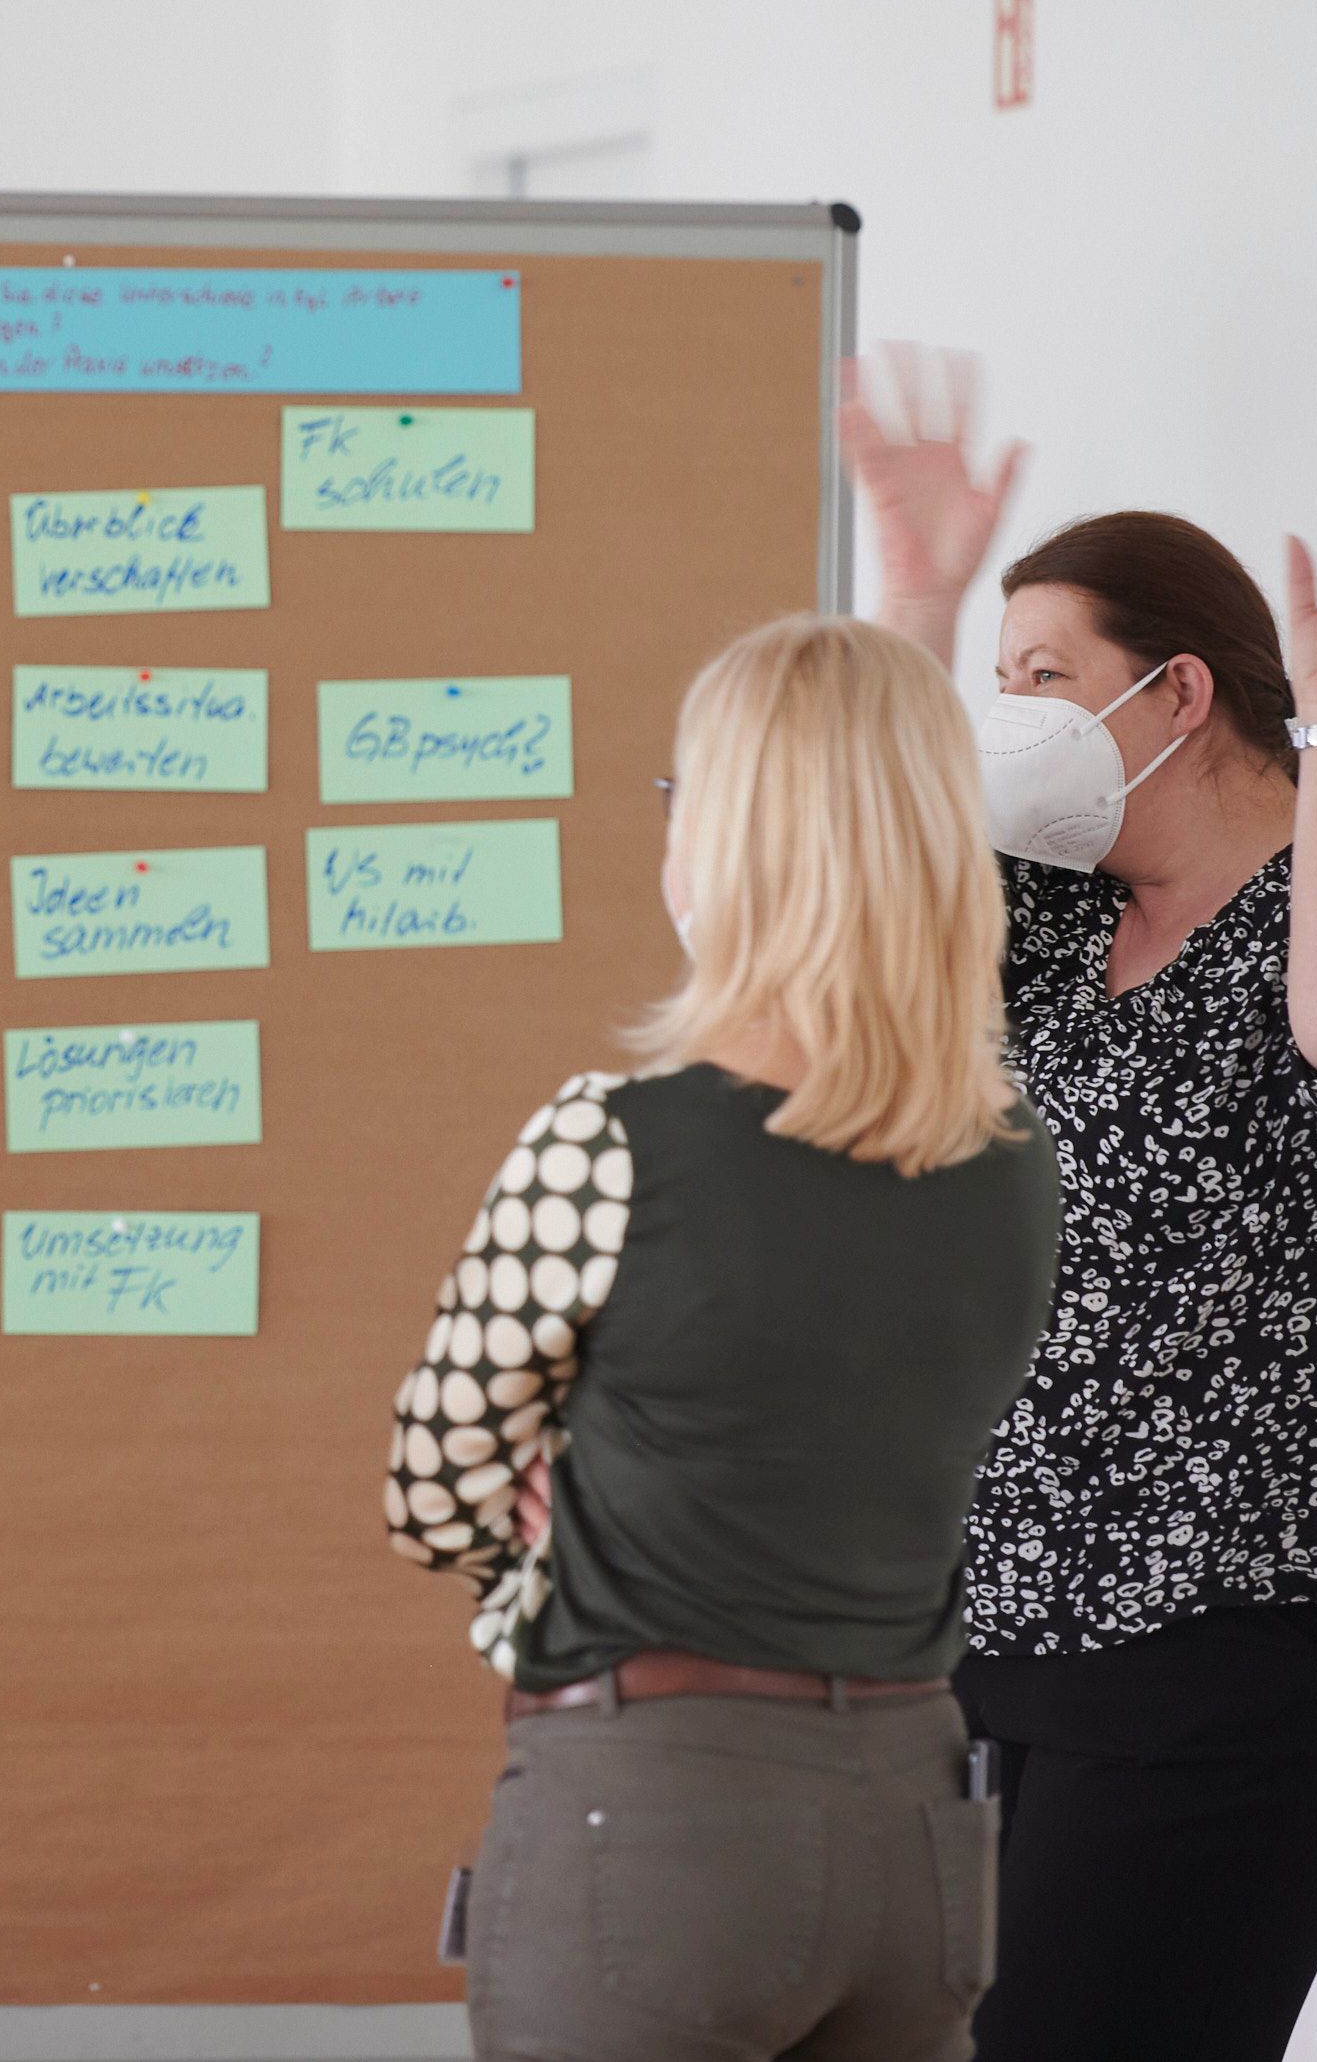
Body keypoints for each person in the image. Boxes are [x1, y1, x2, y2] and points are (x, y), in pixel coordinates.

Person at [849, 348, 1317, 2062]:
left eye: (1048, 674)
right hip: (1005, 1624)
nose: (1014, 716)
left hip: (1256, 1617)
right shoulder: (1052, 913)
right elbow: (853, 903)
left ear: (1182, 694)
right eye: (1000, 681)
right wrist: (915, 592)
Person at [388, 614, 1060, 2062]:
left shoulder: (612, 1140)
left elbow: (433, 1491)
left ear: (737, 841)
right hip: (918, 1822)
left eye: (685, 790)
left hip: (659, 1815)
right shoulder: (1013, 1166)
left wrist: (558, 1550)